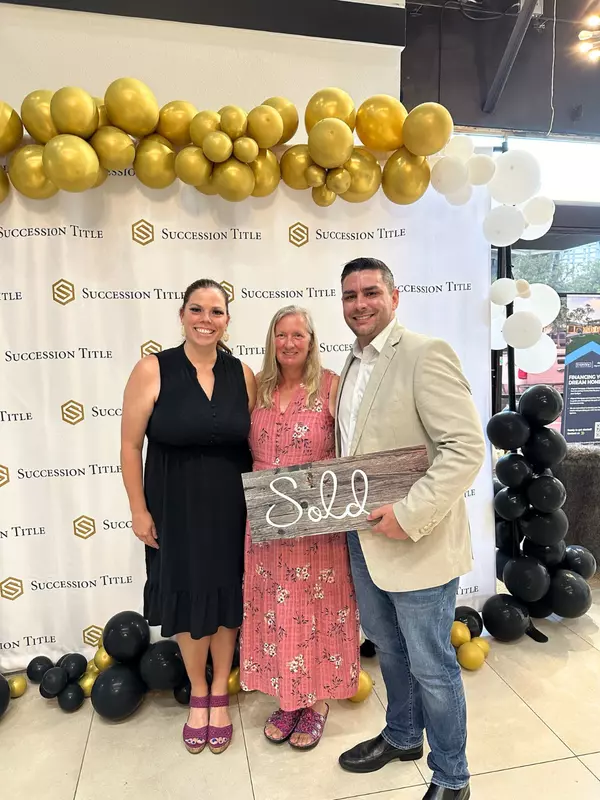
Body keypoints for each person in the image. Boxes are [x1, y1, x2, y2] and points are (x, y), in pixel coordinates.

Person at [335, 258, 485, 800]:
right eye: (350, 296)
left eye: (371, 292)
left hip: (417, 541)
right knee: (389, 649)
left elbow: (466, 448)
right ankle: (402, 735)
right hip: (363, 539)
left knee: (433, 665)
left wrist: (410, 513)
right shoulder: (349, 364)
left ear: (394, 298)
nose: (360, 304)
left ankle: (452, 777)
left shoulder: (424, 354)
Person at [120, 278, 256, 756]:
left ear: (227, 320)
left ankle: (220, 688)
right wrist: (138, 509)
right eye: (196, 309)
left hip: (232, 509)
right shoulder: (152, 369)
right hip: (172, 508)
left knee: (225, 596)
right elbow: (130, 446)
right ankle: (197, 690)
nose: (205, 319)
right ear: (181, 315)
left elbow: (258, 443)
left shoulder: (243, 373)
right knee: (183, 595)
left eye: (216, 311)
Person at [240, 305, 360, 750]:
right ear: (271, 341)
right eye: (281, 335)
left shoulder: (331, 385)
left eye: (298, 335)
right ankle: (288, 698)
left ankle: (316, 702)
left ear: (311, 340)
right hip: (266, 523)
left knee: (317, 612)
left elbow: (352, 446)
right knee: (274, 608)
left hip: (317, 525)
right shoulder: (258, 387)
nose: (289, 343)